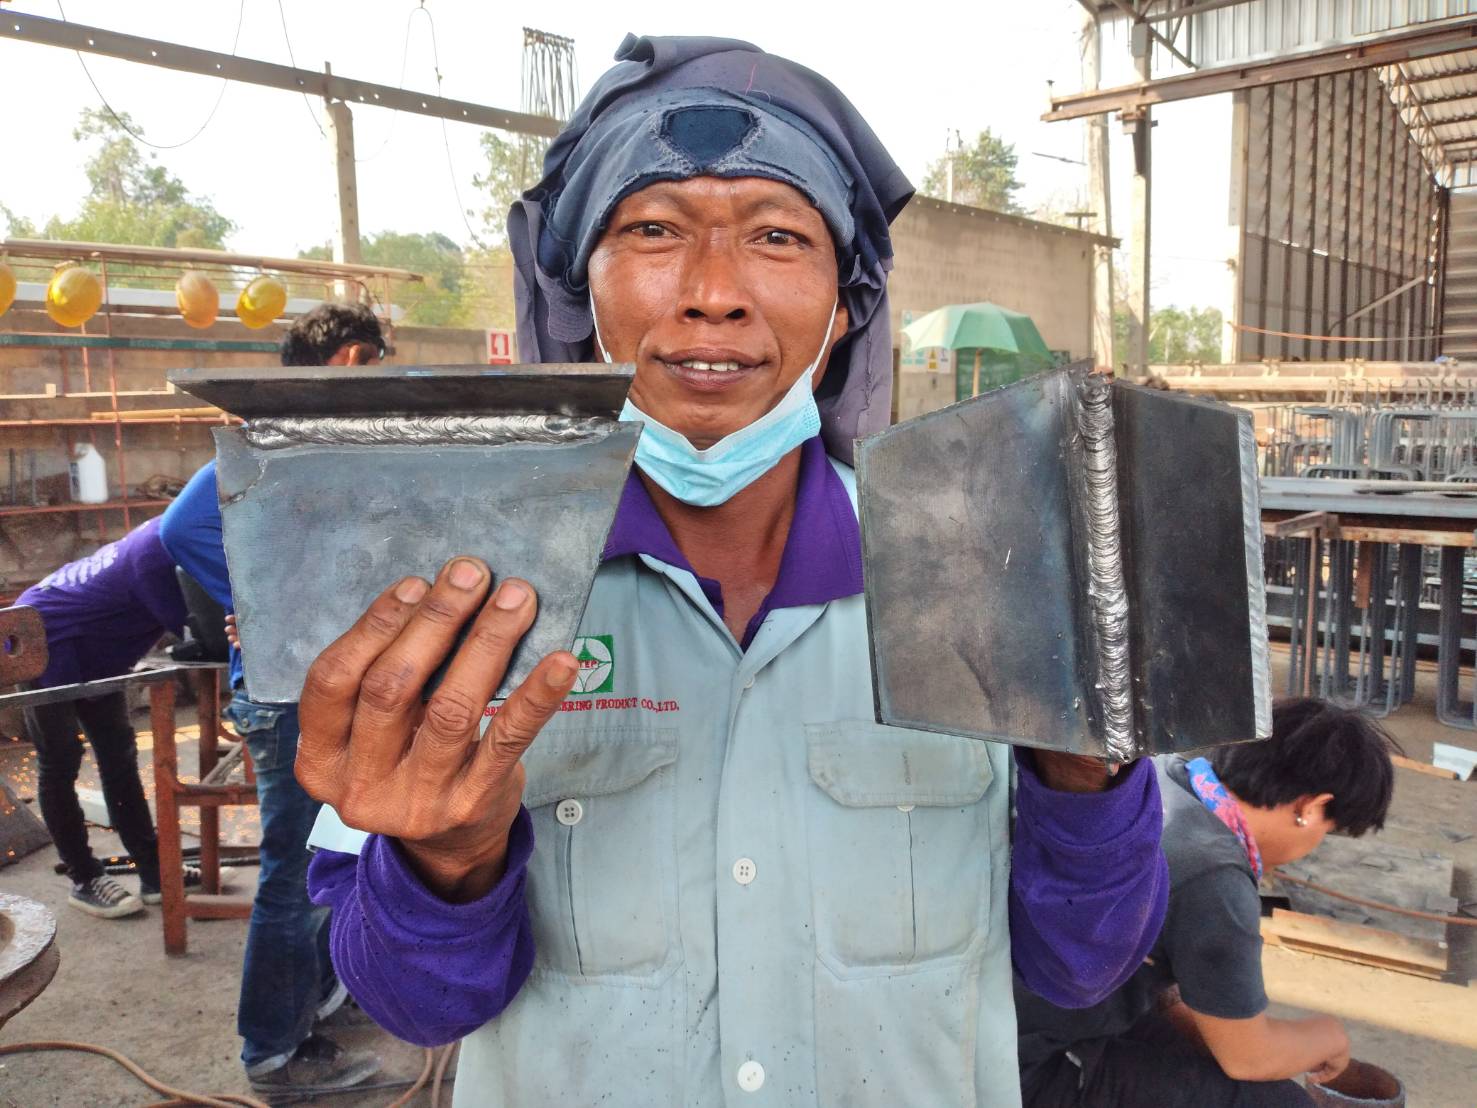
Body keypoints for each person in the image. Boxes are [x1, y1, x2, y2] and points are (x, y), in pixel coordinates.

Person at [297, 36, 1169, 1106]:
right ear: (577, 296)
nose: (714, 293)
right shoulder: (464, 604)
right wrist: (447, 862)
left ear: (846, 307)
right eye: (654, 231)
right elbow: (415, 1007)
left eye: (776, 235)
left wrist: (1083, 774)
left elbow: (1084, 963)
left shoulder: (987, 575)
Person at [160, 301, 384, 1099]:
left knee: (329, 856)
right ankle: (272, 1053)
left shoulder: (318, 446)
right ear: (353, 360)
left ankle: (313, 1004)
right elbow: (181, 529)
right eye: (378, 367)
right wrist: (267, 608)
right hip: (289, 694)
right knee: (291, 872)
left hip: (316, 684)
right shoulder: (276, 434)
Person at [1014, 698, 1400, 1107]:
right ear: (1310, 807)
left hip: (1017, 1007)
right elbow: (1248, 1058)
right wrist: (1328, 1036)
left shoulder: (1166, 777)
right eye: (1329, 829)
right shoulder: (1216, 877)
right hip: (1030, 1064)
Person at [16, 516, 203, 917]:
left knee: (118, 759)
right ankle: (84, 878)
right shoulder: (156, 555)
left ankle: (153, 870)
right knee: (60, 759)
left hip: (95, 651)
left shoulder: (178, 533)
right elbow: (196, 633)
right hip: (43, 635)